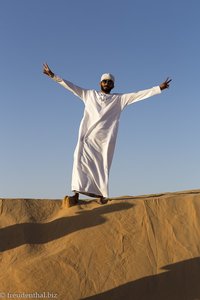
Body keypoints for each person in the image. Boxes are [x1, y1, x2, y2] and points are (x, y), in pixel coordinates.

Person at [43, 63, 171, 206]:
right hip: (87, 138)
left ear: (113, 85)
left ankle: (102, 195)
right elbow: (71, 86)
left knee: (102, 166)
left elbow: (137, 95)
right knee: (79, 162)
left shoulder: (119, 99)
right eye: (105, 81)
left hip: (105, 140)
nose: (107, 83)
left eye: (110, 82)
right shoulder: (89, 94)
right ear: (100, 83)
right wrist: (53, 76)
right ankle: (76, 194)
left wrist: (158, 88)